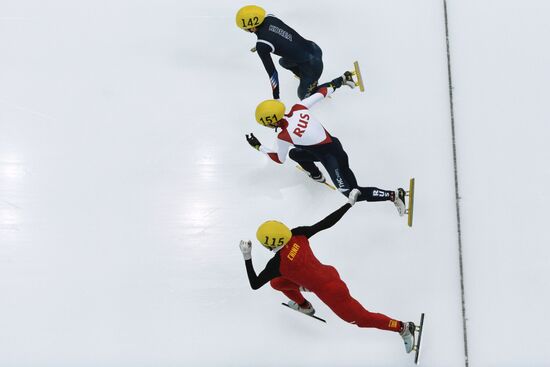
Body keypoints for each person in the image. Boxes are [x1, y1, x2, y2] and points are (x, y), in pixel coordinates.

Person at [238, 190, 417, 353]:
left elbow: (255, 284)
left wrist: (247, 255)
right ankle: (305, 306)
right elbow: (325, 223)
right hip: (328, 274)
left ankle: (402, 327)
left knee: (361, 319)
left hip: (331, 291)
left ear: (269, 244)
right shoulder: (297, 234)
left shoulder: (275, 265)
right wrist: (349, 203)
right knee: (277, 283)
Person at [245, 74, 407, 215]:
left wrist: (260, 147)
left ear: (271, 122)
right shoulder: (298, 108)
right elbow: (322, 93)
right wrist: (341, 80)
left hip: (332, 160)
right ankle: (316, 174)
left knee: (352, 193)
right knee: (295, 154)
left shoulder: (283, 137)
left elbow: (279, 159)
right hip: (333, 146)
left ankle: (393, 195)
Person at [235, 5, 325, 100]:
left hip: (312, 65)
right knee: (283, 62)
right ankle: (304, 77)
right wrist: (261, 43)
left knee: (303, 96)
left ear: (252, 28)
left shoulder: (262, 45)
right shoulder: (270, 17)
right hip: (314, 48)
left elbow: (272, 74)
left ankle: (321, 86)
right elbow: (275, 34)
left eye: (245, 29)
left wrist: (276, 98)